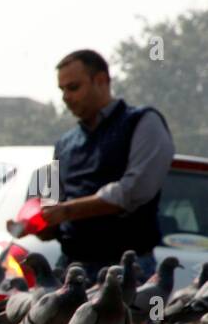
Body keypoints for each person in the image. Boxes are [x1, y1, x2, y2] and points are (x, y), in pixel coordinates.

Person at [34, 49, 174, 282]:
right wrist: (38, 223)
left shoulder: (142, 122)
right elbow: (52, 203)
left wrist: (67, 210)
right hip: (72, 270)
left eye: (74, 87)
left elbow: (134, 190)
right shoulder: (65, 144)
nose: (66, 97)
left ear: (101, 81)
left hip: (125, 270)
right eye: (62, 90)